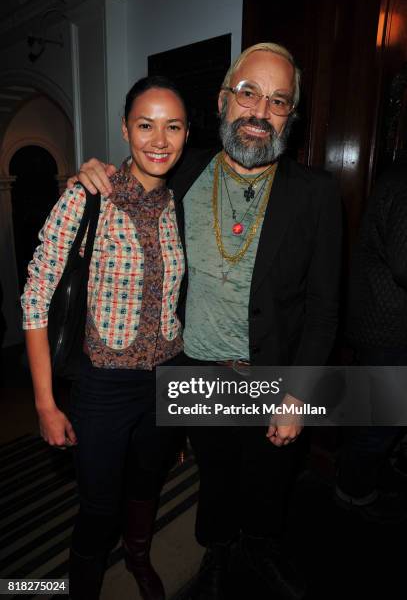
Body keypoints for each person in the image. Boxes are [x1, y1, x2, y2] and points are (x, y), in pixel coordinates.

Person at [73, 43, 342, 600]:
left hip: (275, 376)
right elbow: (136, 169)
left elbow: (324, 307)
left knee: (271, 483)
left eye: (278, 101)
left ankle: (262, 549)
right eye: (248, 93)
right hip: (195, 369)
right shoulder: (184, 169)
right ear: (223, 99)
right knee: (215, 481)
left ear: (290, 115)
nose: (259, 112)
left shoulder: (317, 195)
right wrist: (93, 170)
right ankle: (217, 555)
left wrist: (299, 394)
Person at [21, 76, 189, 600]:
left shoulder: (178, 205)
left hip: (166, 378)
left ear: (186, 134)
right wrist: (47, 404)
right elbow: (35, 298)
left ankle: (138, 558)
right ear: (125, 129)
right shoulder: (88, 195)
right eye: (145, 125)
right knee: (98, 507)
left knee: (145, 485)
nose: (159, 140)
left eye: (173, 126)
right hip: (104, 386)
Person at [336, 156, 407, 522]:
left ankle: (364, 478)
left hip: (384, 323)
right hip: (387, 327)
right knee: (380, 423)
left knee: (380, 417)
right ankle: (354, 493)